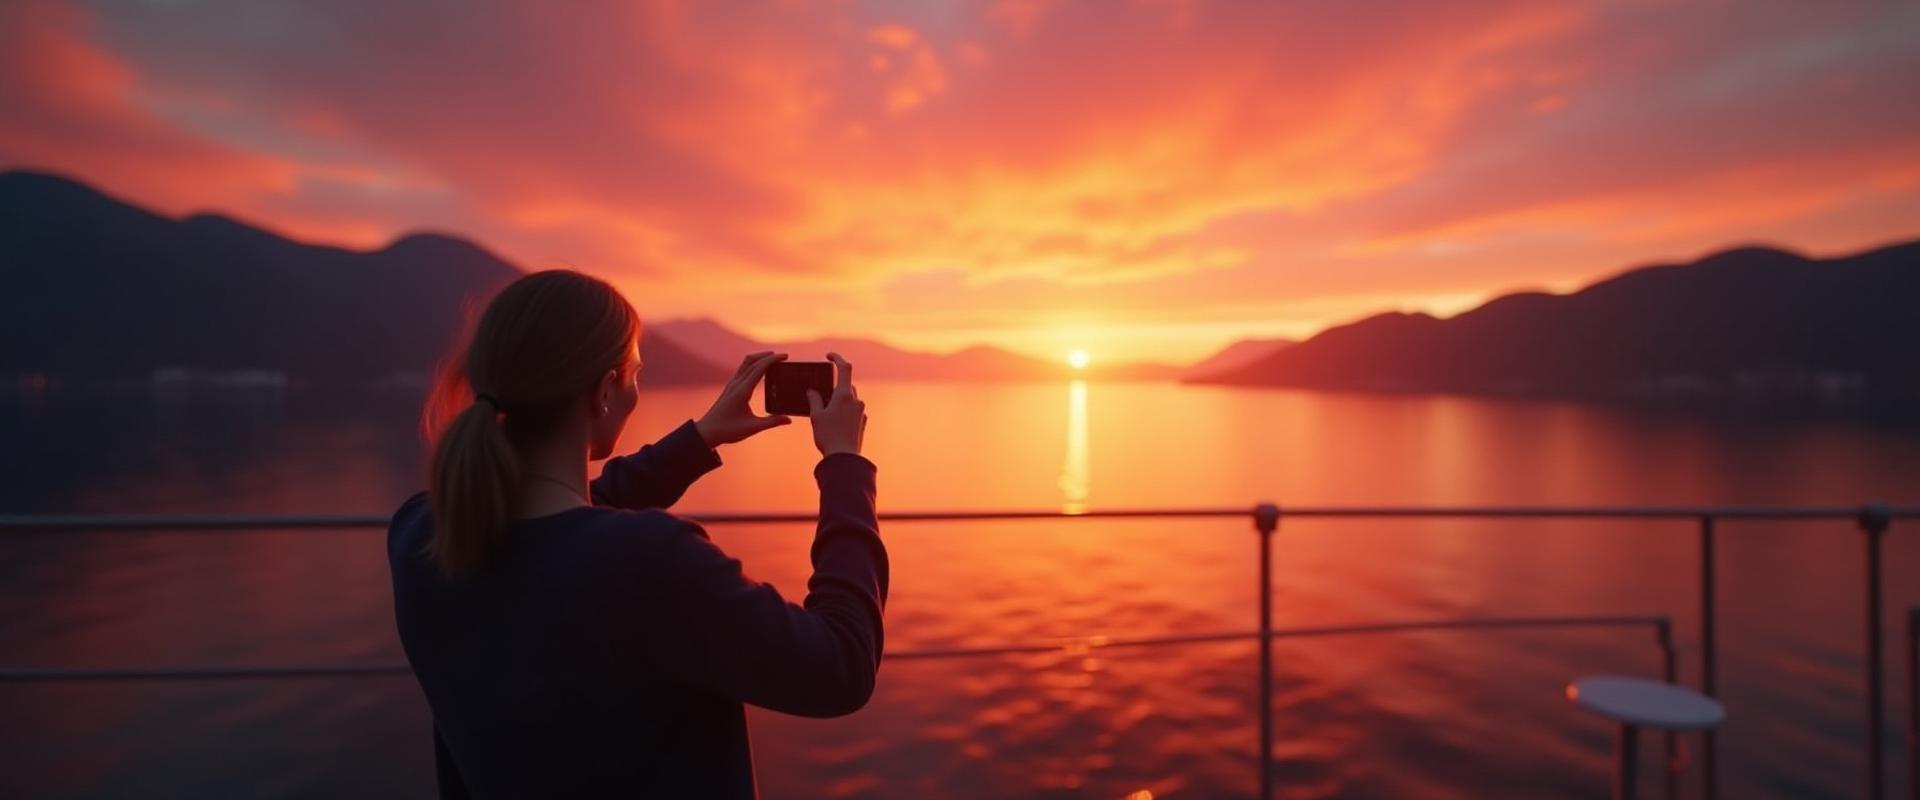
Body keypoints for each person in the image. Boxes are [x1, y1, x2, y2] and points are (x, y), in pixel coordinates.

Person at [386, 269, 885, 798]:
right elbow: (841, 665)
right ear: (605, 392)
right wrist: (845, 465)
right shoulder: (650, 562)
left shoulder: (420, 534)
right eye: (635, 375)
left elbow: (563, 526)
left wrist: (700, 438)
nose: (635, 393)